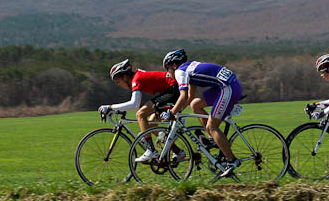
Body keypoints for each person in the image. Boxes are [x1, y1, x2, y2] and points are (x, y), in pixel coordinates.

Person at [160, 48, 243, 178]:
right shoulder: (189, 68)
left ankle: (232, 160)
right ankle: (213, 139)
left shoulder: (179, 71)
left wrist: (171, 113)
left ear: (174, 65)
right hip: (227, 84)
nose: (168, 73)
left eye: (167, 69)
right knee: (196, 105)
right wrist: (178, 111)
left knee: (212, 126)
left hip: (228, 88)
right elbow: (189, 98)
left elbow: (182, 97)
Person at [97, 59, 181, 163]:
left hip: (172, 90)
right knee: (150, 126)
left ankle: (151, 150)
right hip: (170, 90)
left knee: (140, 115)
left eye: (118, 82)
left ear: (125, 76)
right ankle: (177, 151)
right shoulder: (137, 76)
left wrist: (110, 107)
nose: (119, 85)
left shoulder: (137, 79)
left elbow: (134, 104)